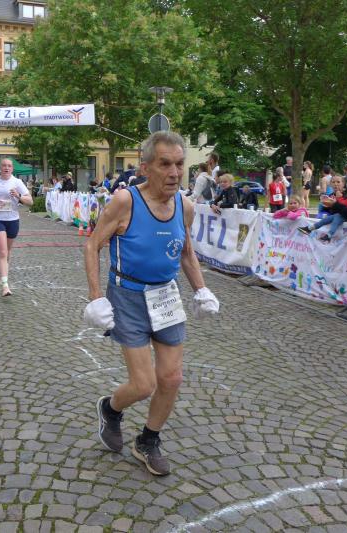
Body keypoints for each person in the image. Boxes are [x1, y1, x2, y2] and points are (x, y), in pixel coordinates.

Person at [83, 131, 220, 476]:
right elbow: (92, 245)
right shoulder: (125, 201)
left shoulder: (185, 206)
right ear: (145, 167)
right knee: (143, 384)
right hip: (127, 296)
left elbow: (185, 252)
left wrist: (201, 290)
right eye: (165, 164)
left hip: (166, 296)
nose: (175, 173)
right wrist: (96, 298)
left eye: (179, 164)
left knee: (171, 378)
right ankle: (111, 409)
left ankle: (148, 440)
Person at [0, 158, 32, 296]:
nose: (6, 168)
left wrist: (18, 196)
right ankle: (5, 286)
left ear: (12, 169)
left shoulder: (17, 182)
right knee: (2, 252)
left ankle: (2, 274)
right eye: (4, 166)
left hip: (12, 220)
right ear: (0, 168)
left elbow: (30, 201)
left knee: (8, 251)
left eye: (9, 166)